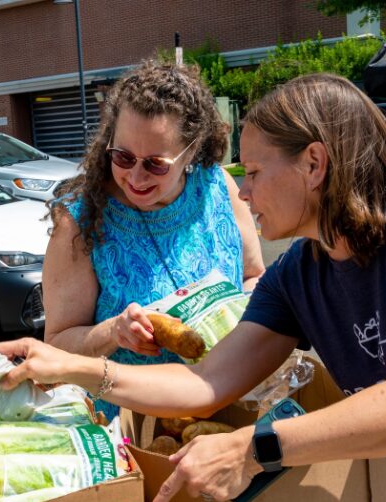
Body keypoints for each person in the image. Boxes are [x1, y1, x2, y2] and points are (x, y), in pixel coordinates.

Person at [0, 73, 386, 502]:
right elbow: (206, 383)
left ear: (314, 164)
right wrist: (70, 366)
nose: (243, 191)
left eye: (253, 171)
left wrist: (257, 447)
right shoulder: (298, 272)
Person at [43, 61, 265, 420]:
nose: (135, 176)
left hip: (230, 404)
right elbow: (56, 346)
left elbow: (254, 276)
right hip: (130, 429)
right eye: (123, 156)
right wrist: (114, 332)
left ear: (191, 151)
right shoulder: (79, 221)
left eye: (156, 164)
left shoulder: (217, 187)